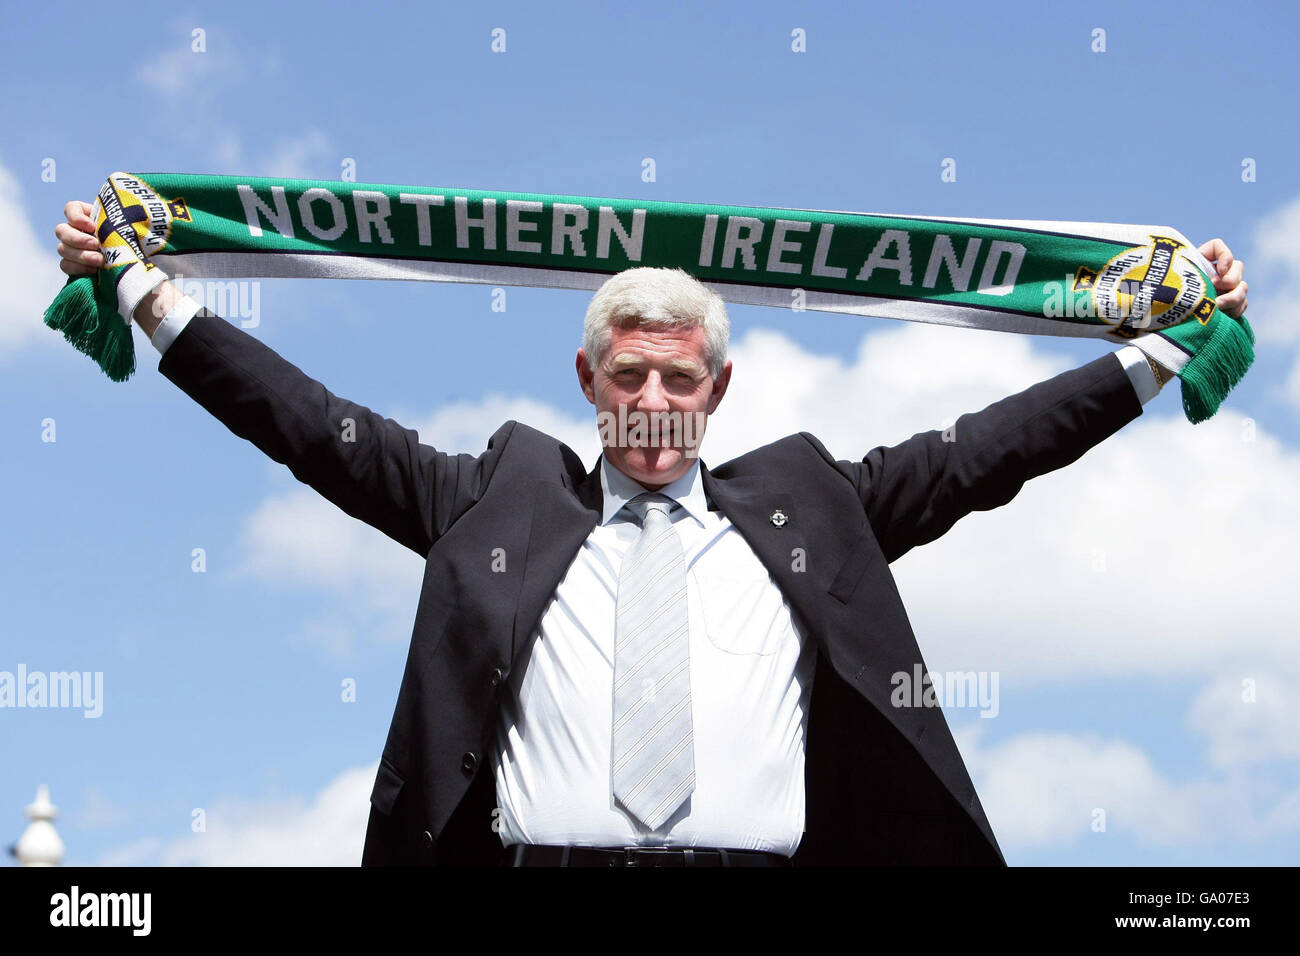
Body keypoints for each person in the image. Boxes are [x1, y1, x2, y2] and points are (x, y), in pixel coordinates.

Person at [55, 202, 1248, 867]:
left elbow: (983, 451)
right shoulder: (496, 497)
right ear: (588, 374)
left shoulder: (811, 504)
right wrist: (151, 297)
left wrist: (1152, 351)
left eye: (681, 377)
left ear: (716, 389)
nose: (654, 398)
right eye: (629, 371)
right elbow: (317, 427)